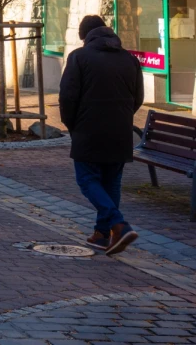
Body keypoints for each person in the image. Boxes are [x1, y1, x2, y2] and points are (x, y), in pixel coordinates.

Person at [59, 14, 144, 255]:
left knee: (87, 180)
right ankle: (102, 234)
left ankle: (119, 224)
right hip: (120, 132)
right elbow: (138, 98)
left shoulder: (79, 57)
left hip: (88, 130)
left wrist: (72, 125)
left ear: (84, 37)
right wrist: (122, 118)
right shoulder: (129, 59)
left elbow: (67, 97)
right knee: (111, 182)